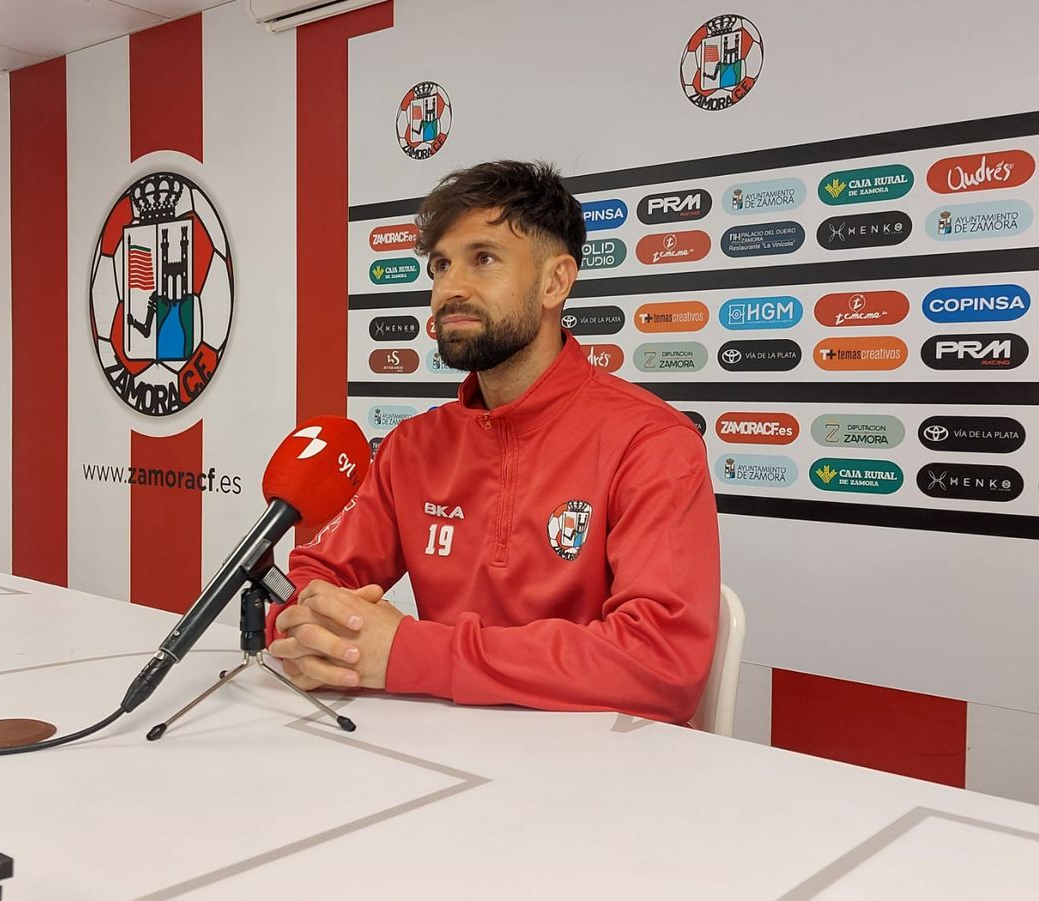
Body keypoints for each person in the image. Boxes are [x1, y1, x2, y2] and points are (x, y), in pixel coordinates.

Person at [268, 160, 720, 723]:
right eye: (440, 265)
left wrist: (411, 653)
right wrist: (312, 628)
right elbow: (311, 579)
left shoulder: (652, 442)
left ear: (555, 281)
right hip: (432, 766)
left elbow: (661, 662)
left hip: (598, 782)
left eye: (483, 259)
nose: (450, 289)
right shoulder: (412, 445)